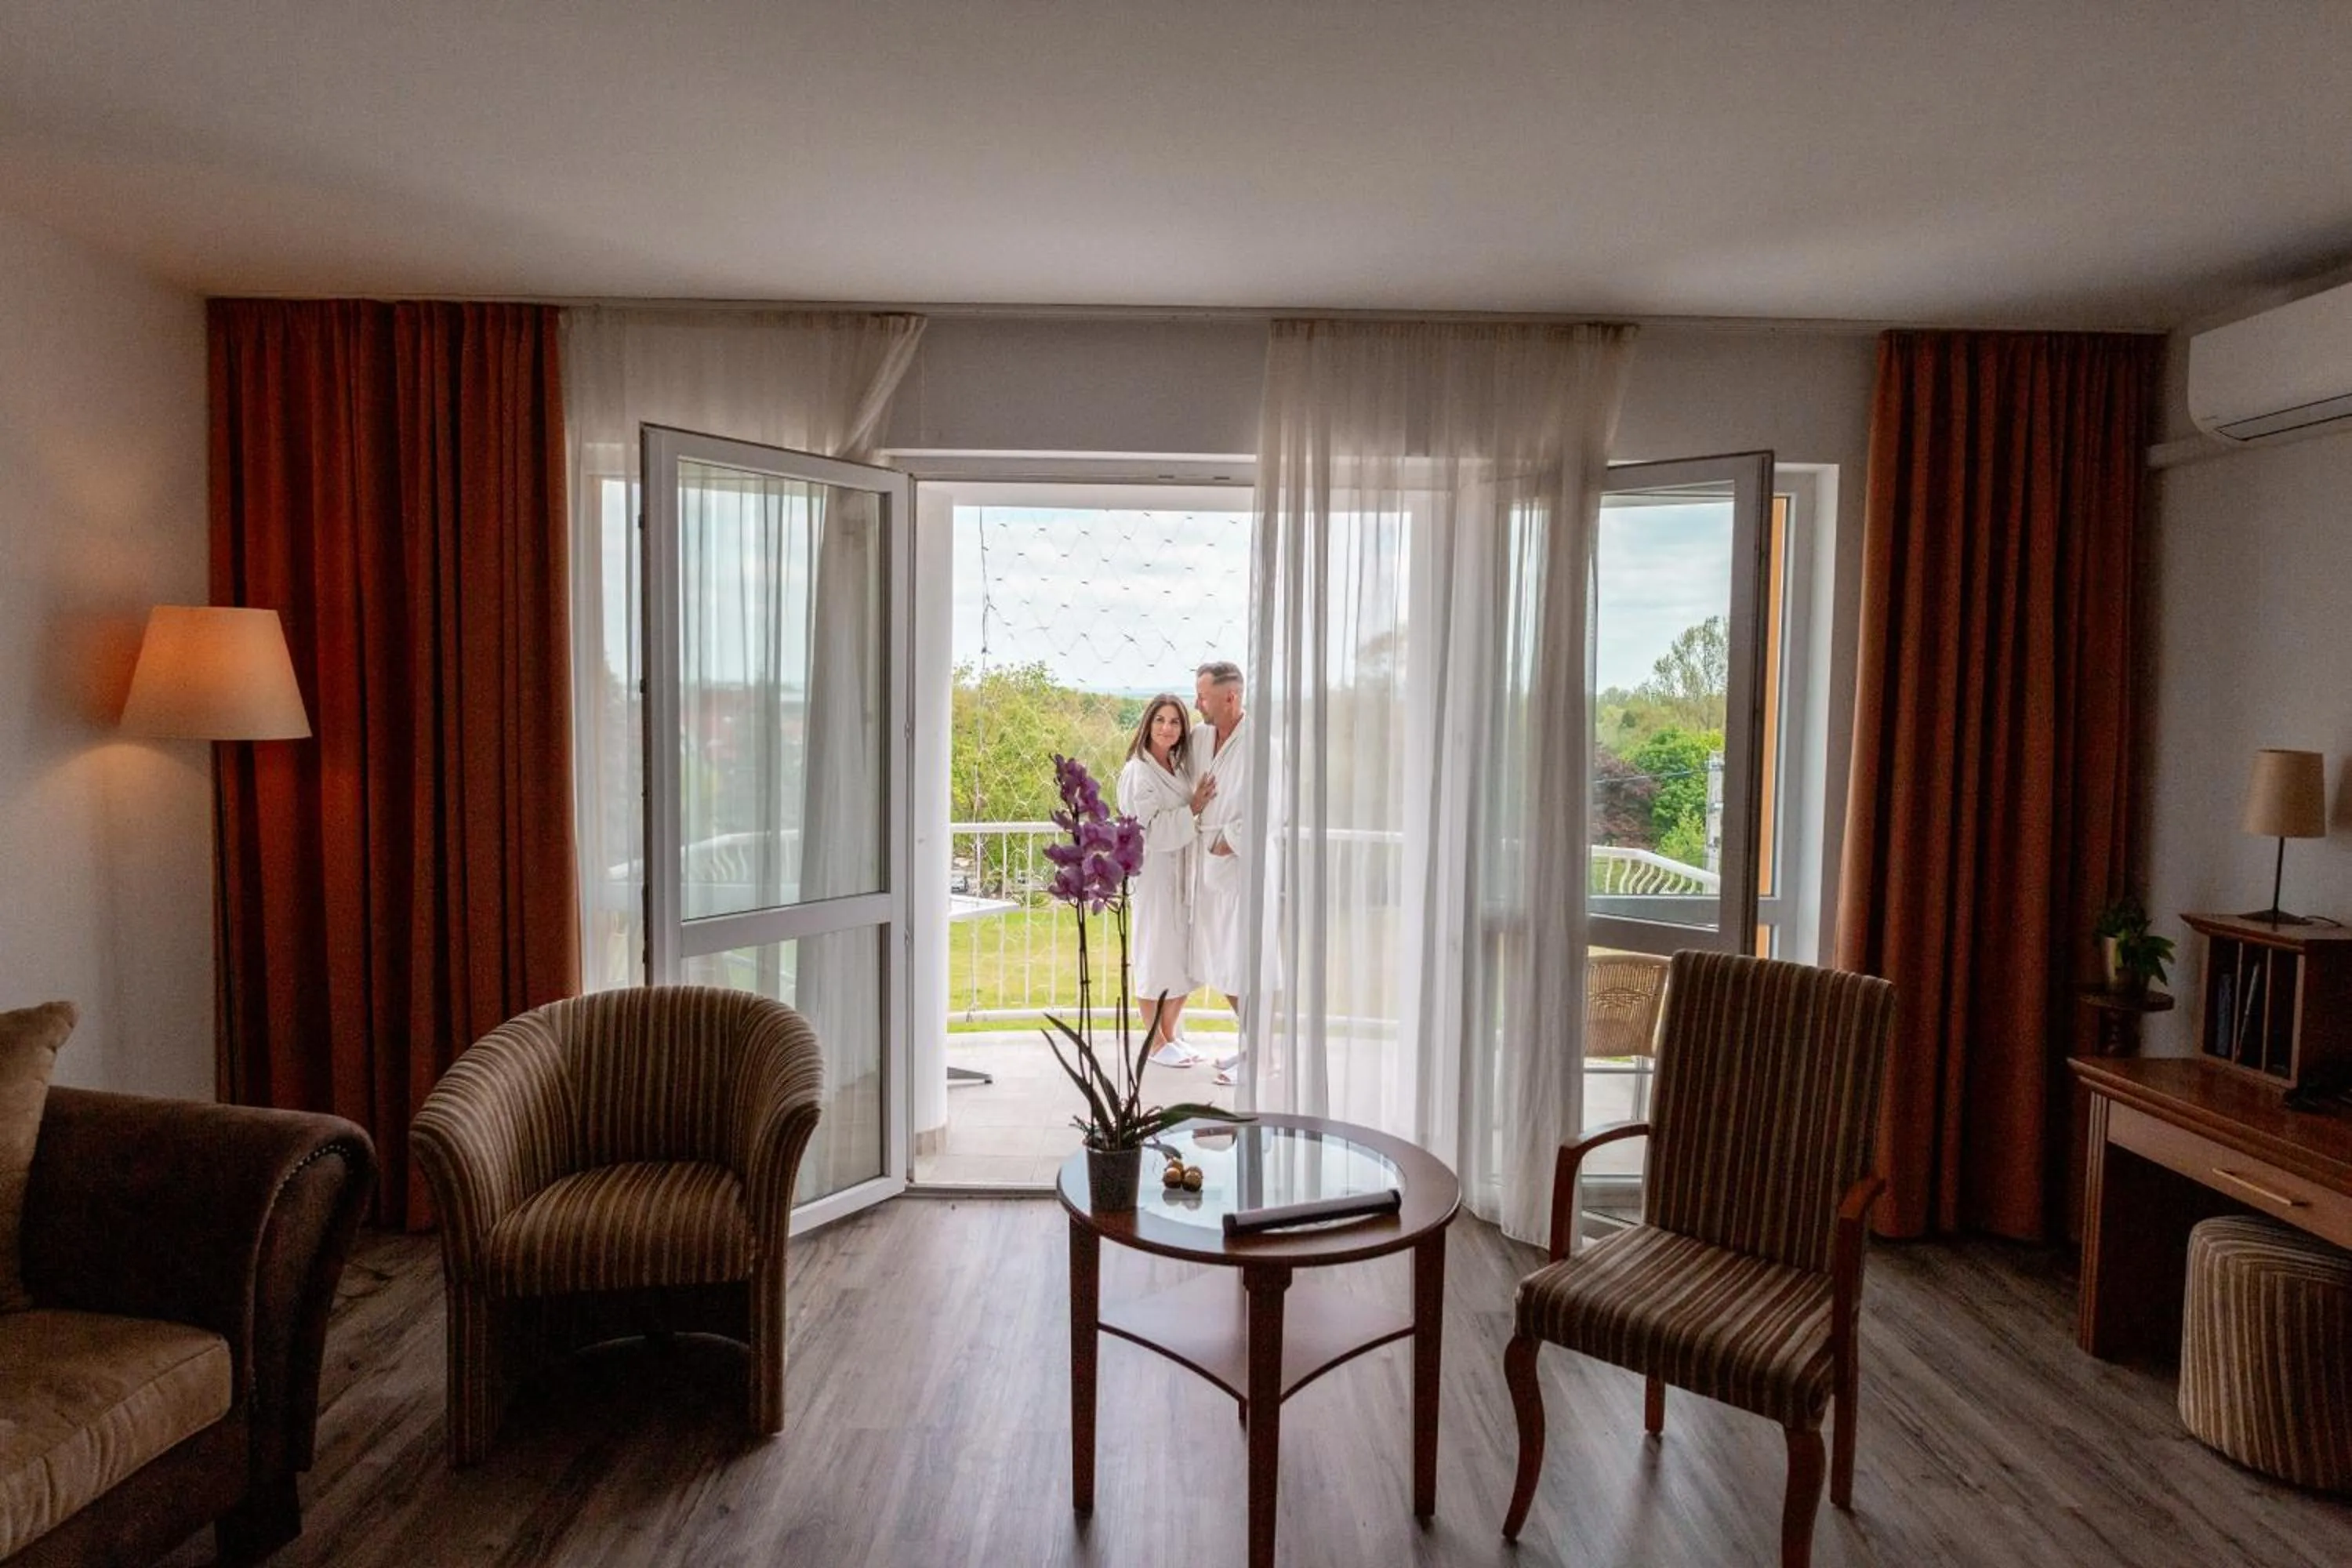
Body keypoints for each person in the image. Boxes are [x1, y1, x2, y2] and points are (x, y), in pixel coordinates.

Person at [1116, 695, 1204, 1068]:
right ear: (1148, 725)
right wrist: (1194, 809)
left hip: (1184, 872)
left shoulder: (1178, 767)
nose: (1167, 728)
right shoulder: (1139, 771)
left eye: (1175, 722)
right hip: (1154, 874)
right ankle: (1153, 1044)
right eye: (1160, 721)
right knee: (1155, 952)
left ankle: (1168, 1036)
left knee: (1185, 957)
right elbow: (1148, 830)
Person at [1189, 661, 1250, 1083]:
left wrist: (1226, 842)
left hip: (1238, 868)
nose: (1197, 704)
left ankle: (1259, 1056)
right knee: (1222, 962)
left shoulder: (1260, 743)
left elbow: (1273, 805)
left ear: (1231, 697)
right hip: (1209, 865)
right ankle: (1251, 1049)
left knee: (1240, 963)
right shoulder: (1202, 737)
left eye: (1204, 697)